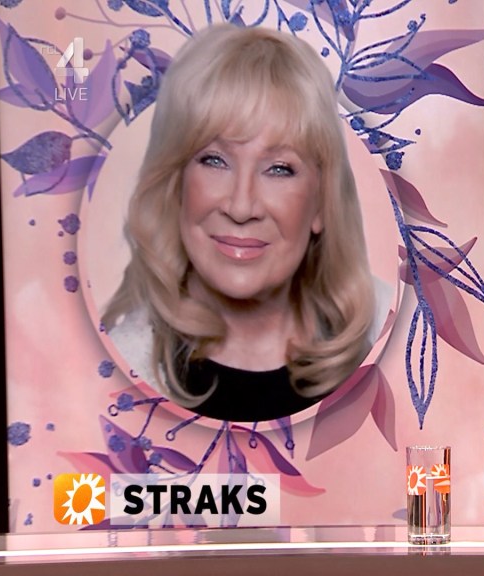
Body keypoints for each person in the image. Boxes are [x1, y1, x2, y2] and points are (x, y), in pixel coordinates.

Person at [103, 24, 376, 423]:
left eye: (279, 168)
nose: (242, 206)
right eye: (214, 160)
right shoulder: (112, 376)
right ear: (176, 186)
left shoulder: (393, 352)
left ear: (321, 204)